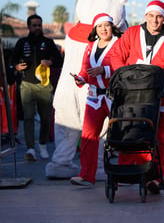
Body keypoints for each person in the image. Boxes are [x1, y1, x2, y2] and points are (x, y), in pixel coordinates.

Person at [111, 0, 164, 193]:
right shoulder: (132, 33)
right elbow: (116, 55)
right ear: (145, 16)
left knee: (157, 137)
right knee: (127, 132)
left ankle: (154, 177)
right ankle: (125, 172)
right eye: (151, 16)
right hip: (130, 96)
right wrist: (124, 74)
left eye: (158, 17)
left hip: (159, 97)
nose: (154, 20)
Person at [70, 13, 122, 186]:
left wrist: (104, 71)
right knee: (88, 136)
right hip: (94, 97)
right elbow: (85, 70)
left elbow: (124, 69)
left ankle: (126, 175)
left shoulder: (119, 44)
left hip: (114, 96)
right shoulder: (90, 46)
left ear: (112, 27)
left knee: (122, 135)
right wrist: (81, 78)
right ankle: (86, 175)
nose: (103, 29)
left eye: (106, 25)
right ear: (95, 29)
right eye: (100, 26)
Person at [14, 14, 63, 161]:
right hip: (26, 85)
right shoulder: (22, 42)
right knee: (28, 117)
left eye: (39, 25)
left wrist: (50, 62)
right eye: (34, 25)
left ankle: (42, 145)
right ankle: (30, 149)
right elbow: (14, 61)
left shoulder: (48, 42)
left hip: (44, 85)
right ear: (28, 27)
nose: (37, 28)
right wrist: (17, 66)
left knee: (46, 118)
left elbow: (59, 60)